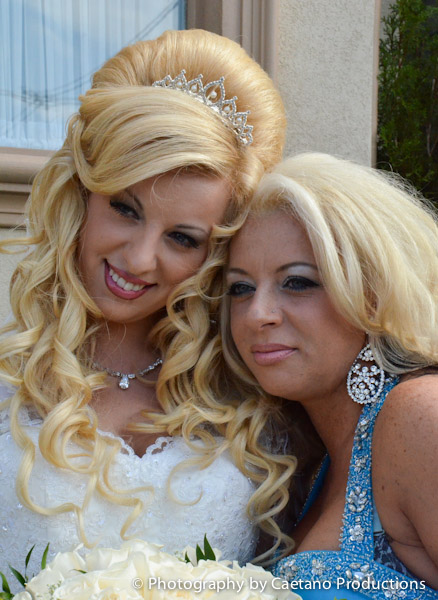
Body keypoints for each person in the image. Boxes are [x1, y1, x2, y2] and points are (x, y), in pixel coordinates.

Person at [0, 28, 291, 579]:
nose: (138, 259)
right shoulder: (7, 386)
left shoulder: (254, 402)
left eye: (181, 238)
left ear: (215, 252)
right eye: (125, 209)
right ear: (83, 195)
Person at [218, 153, 438, 598]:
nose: (257, 314)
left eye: (297, 282)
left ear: (373, 295)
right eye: (241, 288)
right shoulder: (307, 455)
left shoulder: (419, 414)